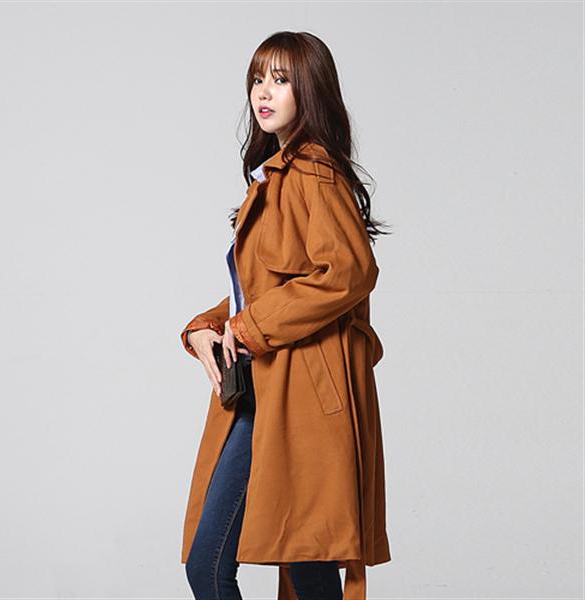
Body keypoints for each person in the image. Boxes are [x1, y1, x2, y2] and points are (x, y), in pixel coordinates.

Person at [179, 30, 392, 600]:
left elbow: (347, 271)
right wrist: (205, 328)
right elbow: (265, 287)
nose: (263, 92)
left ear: (310, 89)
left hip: (299, 395)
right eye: (257, 79)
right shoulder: (277, 177)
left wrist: (245, 328)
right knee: (304, 564)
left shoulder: (311, 173)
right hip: (268, 387)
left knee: (249, 564)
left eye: (281, 79)